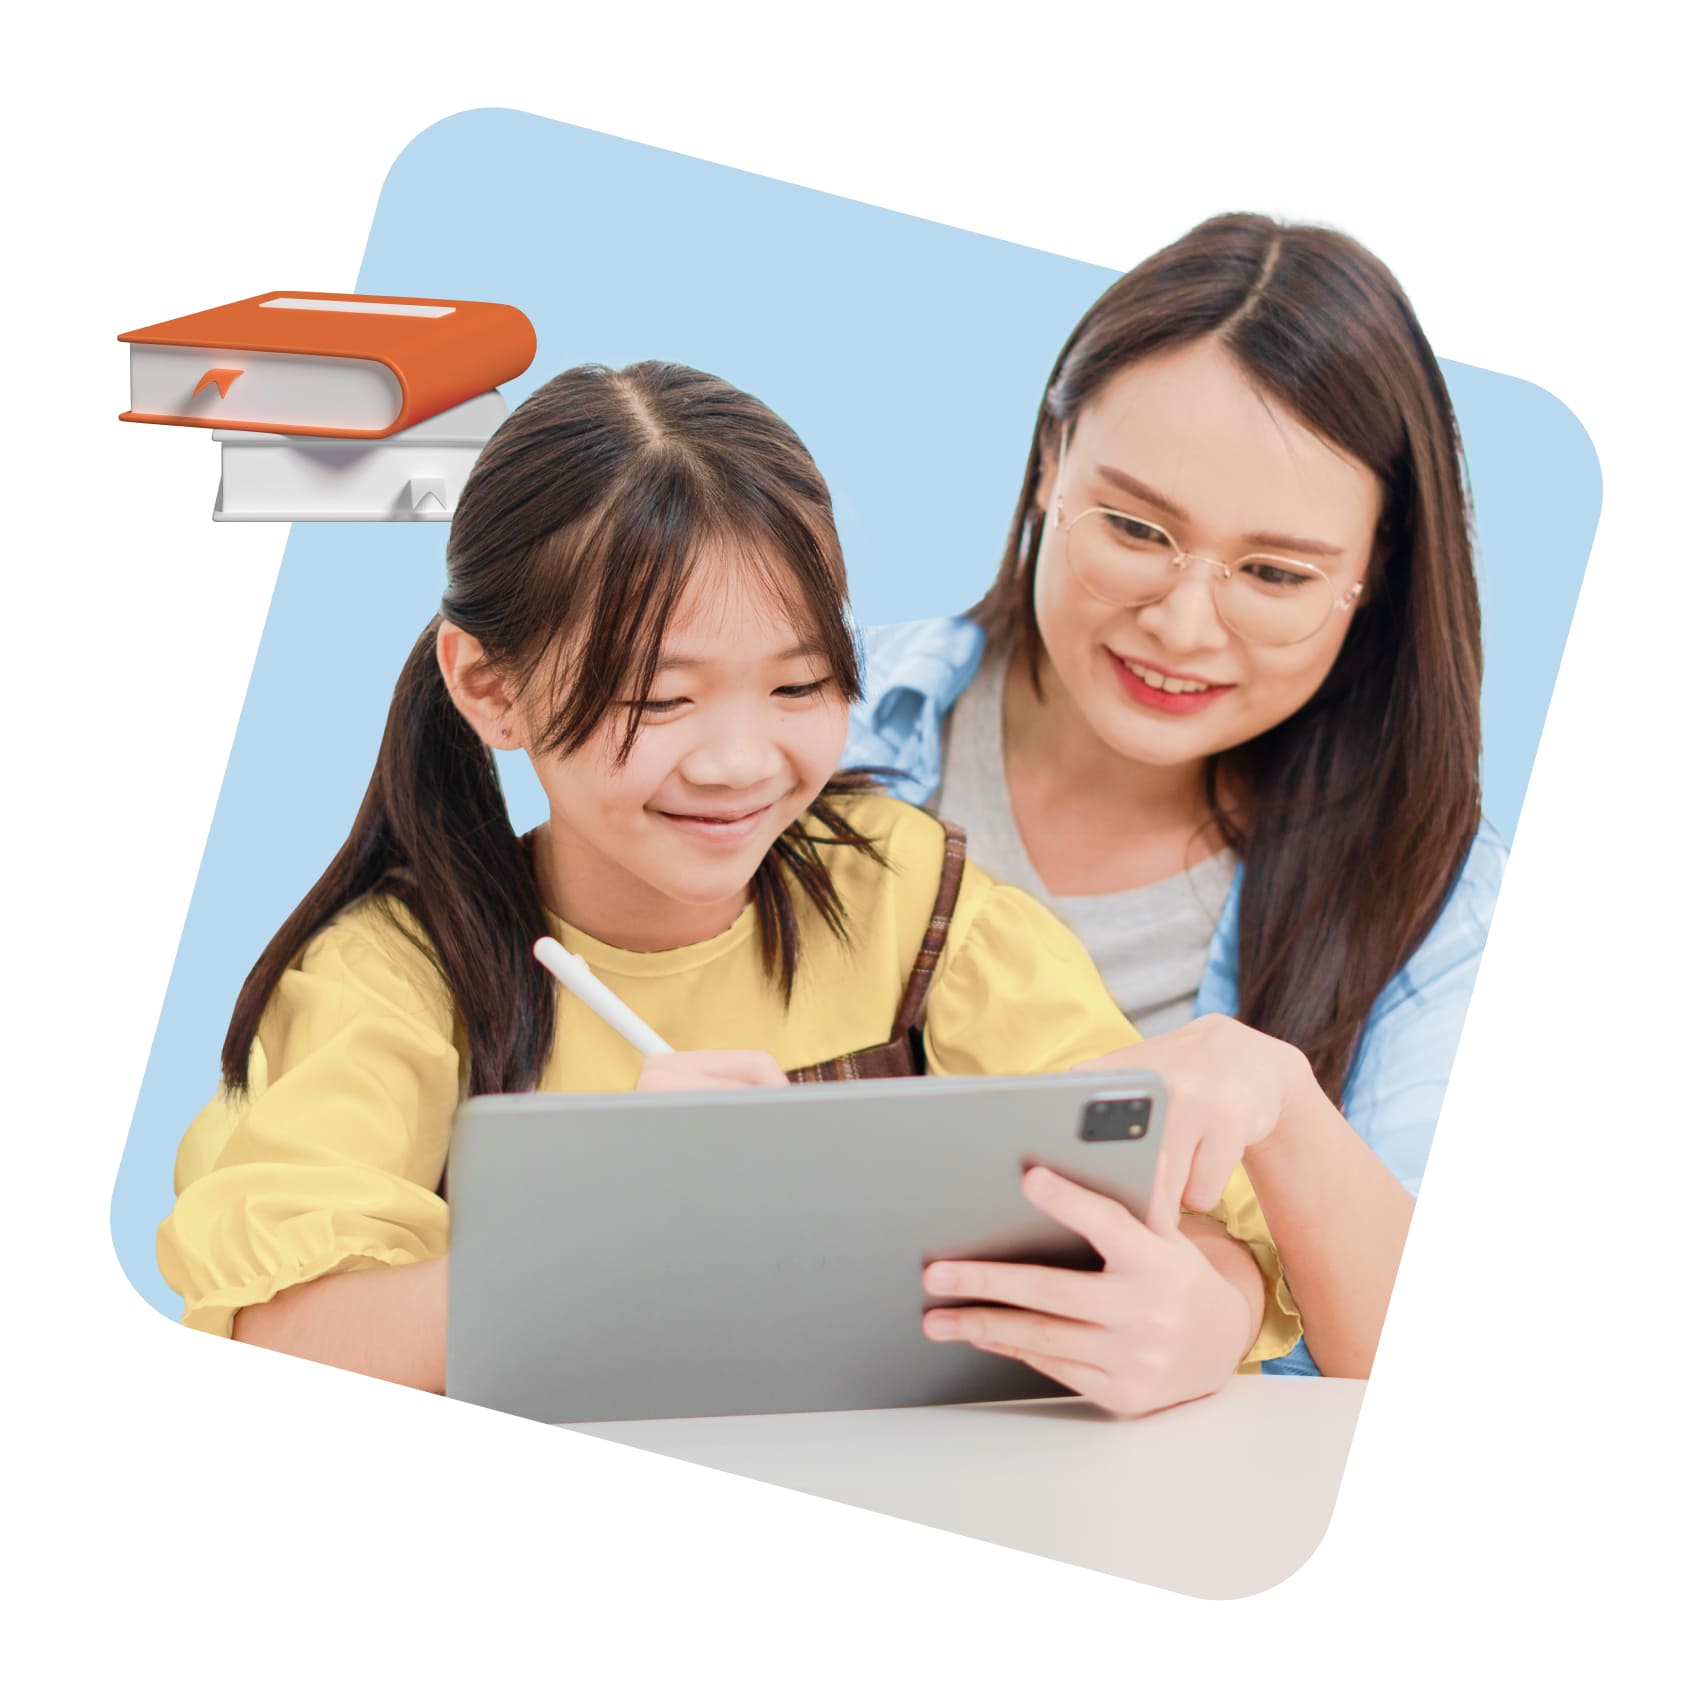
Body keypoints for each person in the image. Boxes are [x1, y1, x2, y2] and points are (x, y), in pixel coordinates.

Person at [157, 359, 1302, 1415]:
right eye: (660, 702)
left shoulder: (912, 904)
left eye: (801, 684)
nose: (740, 762)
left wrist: (1206, 1316)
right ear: (490, 686)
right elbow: (279, 1345)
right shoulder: (394, 978)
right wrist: (615, 1217)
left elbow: (1208, 1225)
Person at [847, 213, 1504, 1378]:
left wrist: (1279, 1111)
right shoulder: (813, 728)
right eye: (1139, 527)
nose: (1183, 624)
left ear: (1378, 567)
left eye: (1274, 573)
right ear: (1050, 459)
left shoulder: (1435, 902)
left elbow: (1450, 1380)